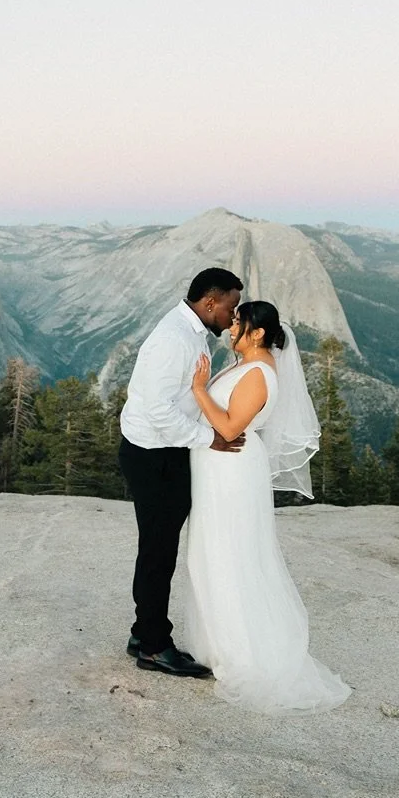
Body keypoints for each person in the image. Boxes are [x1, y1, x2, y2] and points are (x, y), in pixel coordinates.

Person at [181, 299, 351, 715]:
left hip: (232, 472)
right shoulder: (244, 366)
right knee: (211, 553)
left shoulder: (258, 373)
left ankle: (241, 654)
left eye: (238, 322)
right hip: (217, 469)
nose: (231, 326)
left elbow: (228, 427)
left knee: (229, 555)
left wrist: (199, 389)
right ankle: (220, 644)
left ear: (257, 333)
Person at [118, 268, 245, 677]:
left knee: (159, 549)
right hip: (154, 455)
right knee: (158, 552)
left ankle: (144, 632)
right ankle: (154, 646)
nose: (233, 315)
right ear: (210, 302)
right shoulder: (174, 339)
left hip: (164, 451)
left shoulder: (187, 332)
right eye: (231, 305)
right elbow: (158, 412)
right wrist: (209, 438)